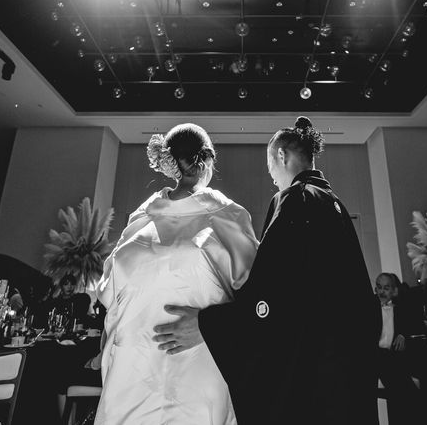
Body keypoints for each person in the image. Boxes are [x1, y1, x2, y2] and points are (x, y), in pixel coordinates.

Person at [153, 116, 379, 424]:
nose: (271, 175)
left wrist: (208, 325)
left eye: (269, 164)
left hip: (314, 375)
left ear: (281, 156)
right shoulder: (333, 202)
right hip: (346, 370)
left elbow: (272, 293)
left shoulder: (295, 198)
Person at [94, 123, 258, 425]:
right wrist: (211, 325)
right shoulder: (227, 216)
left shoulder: (141, 220)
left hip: (144, 373)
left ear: (171, 163)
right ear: (207, 160)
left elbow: (108, 292)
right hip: (175, 374)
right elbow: (259, 298)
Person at [375, 272, 423, 425]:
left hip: (395, 357)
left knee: (412, 387)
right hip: (376, 357)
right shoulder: (369, 309)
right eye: (379, 287)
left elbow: (416, 326)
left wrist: (403, 335)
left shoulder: (400, 309)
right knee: (404, 391)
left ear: (394, 291)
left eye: (386, 288)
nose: (382, 292)